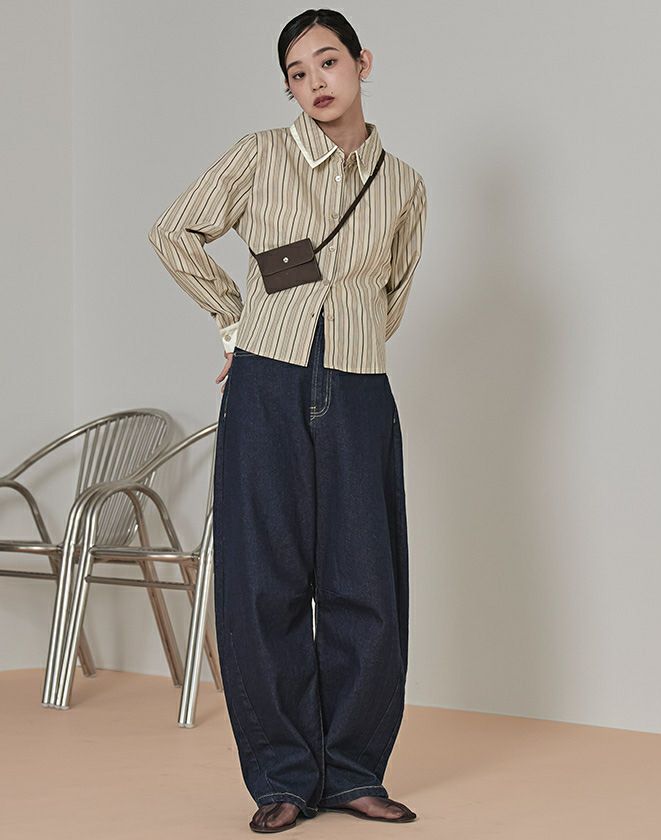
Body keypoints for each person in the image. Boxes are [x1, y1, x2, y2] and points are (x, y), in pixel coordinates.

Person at [148, 8, 427, 834]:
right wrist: (237, 321)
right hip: (266, 383)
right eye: (298, 74)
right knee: (262, 581)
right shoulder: (259, 156)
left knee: (365, 583)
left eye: (328, 62)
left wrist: (345, 342)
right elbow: (173, 232)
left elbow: (393, 295)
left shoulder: (404, 184)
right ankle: (281, 777)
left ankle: (354, 773)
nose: (315, 83)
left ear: (363, 63)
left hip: (360, 387)